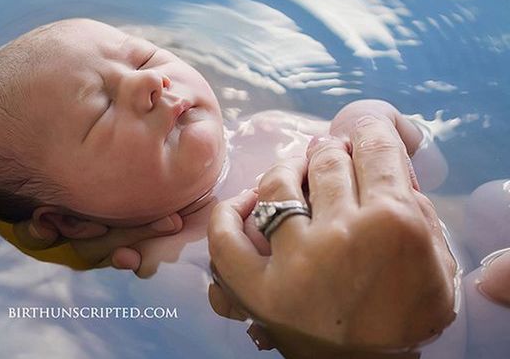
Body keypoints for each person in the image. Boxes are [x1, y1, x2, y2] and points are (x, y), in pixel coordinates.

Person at [0, 18, 443, 276]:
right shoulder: (175, 262)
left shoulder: (271, 126)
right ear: (69, 221)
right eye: (100, 111)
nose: (148, 84)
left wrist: (376, 122)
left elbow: (434, 175)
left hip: (459, 248)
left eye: (142, 59)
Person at [207, 115, 510, 357]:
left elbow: (431, 170)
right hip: (434, 337)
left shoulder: (267, 126)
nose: (157, 83)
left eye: (156, 58)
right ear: (160, 222)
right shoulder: (182, 261)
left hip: (446, 253)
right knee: (495, 288)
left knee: (495, 203)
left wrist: (367, 123)